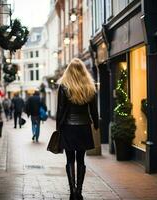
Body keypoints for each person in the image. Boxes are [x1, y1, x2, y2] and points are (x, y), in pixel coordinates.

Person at [56, 58, 99, 200]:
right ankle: (79, 191)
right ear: (83, 71)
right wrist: (96, 124)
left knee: (69, 159)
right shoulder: (90, 86)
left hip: (68, 127)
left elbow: (61, 109)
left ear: (69, 71)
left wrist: (58, 127)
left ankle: (72, 191)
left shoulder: (64, 86)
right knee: (81, 159)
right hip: (84, 127)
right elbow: (94, 109)